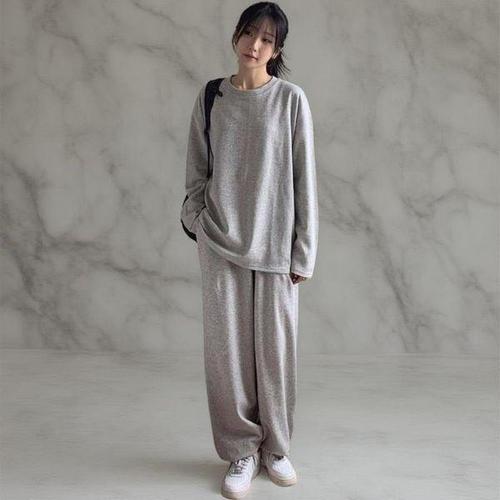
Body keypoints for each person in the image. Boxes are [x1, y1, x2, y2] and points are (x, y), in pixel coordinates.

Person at [180, 2, 318, 498]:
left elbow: (304, 178)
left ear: (276, 50)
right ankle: (241, 450)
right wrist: (196, 220)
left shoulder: (290, 100)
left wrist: (304, 251)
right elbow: (197, 170)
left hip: (276, 248)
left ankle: (276, 448)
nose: (254, 45)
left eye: (266, 39)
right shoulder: (211, 97)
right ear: (236, 35)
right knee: (227, 360)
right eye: (249, 33)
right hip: (220, 243)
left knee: (275, 357)